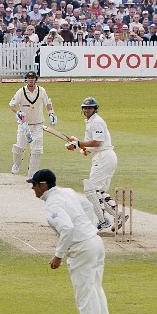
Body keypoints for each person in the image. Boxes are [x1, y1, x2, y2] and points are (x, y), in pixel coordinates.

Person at [27, 169, 111, 314]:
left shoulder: (52, 205)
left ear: (43, 185)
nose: (33, 189)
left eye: (34, 185)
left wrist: (58, 255)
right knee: (97, 294)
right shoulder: (67, 192)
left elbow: (66, 229)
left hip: (82, 249)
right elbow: (88, 207)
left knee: (85, 300)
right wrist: (90, 230)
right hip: (95, 244)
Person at [65, 97, 124, 231]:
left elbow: (97, 142)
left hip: (104, 157)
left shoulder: (96, 121)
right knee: (100, 191)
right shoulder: (90, 122)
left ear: (95, 109)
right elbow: (92, 146)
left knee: (91, 190)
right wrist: (81, 148)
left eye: (90, 108)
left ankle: (103, 221)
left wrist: (78, 144)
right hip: (103, 156)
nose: (86, 110)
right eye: (85, 108)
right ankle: (118, 215)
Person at [9, 71, 57, 178]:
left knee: (37, 150)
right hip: (24, 125)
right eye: (29, 78)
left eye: (32, 78)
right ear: (26, 79)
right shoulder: (21, 91)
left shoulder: (42, 90)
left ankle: (32, 174)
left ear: (36, 79)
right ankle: (17, 164)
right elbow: (12, 105)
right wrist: (18, 112)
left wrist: (51, 113)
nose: (30, 80)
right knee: (19, 148)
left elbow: (47, 104)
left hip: (38, 125)